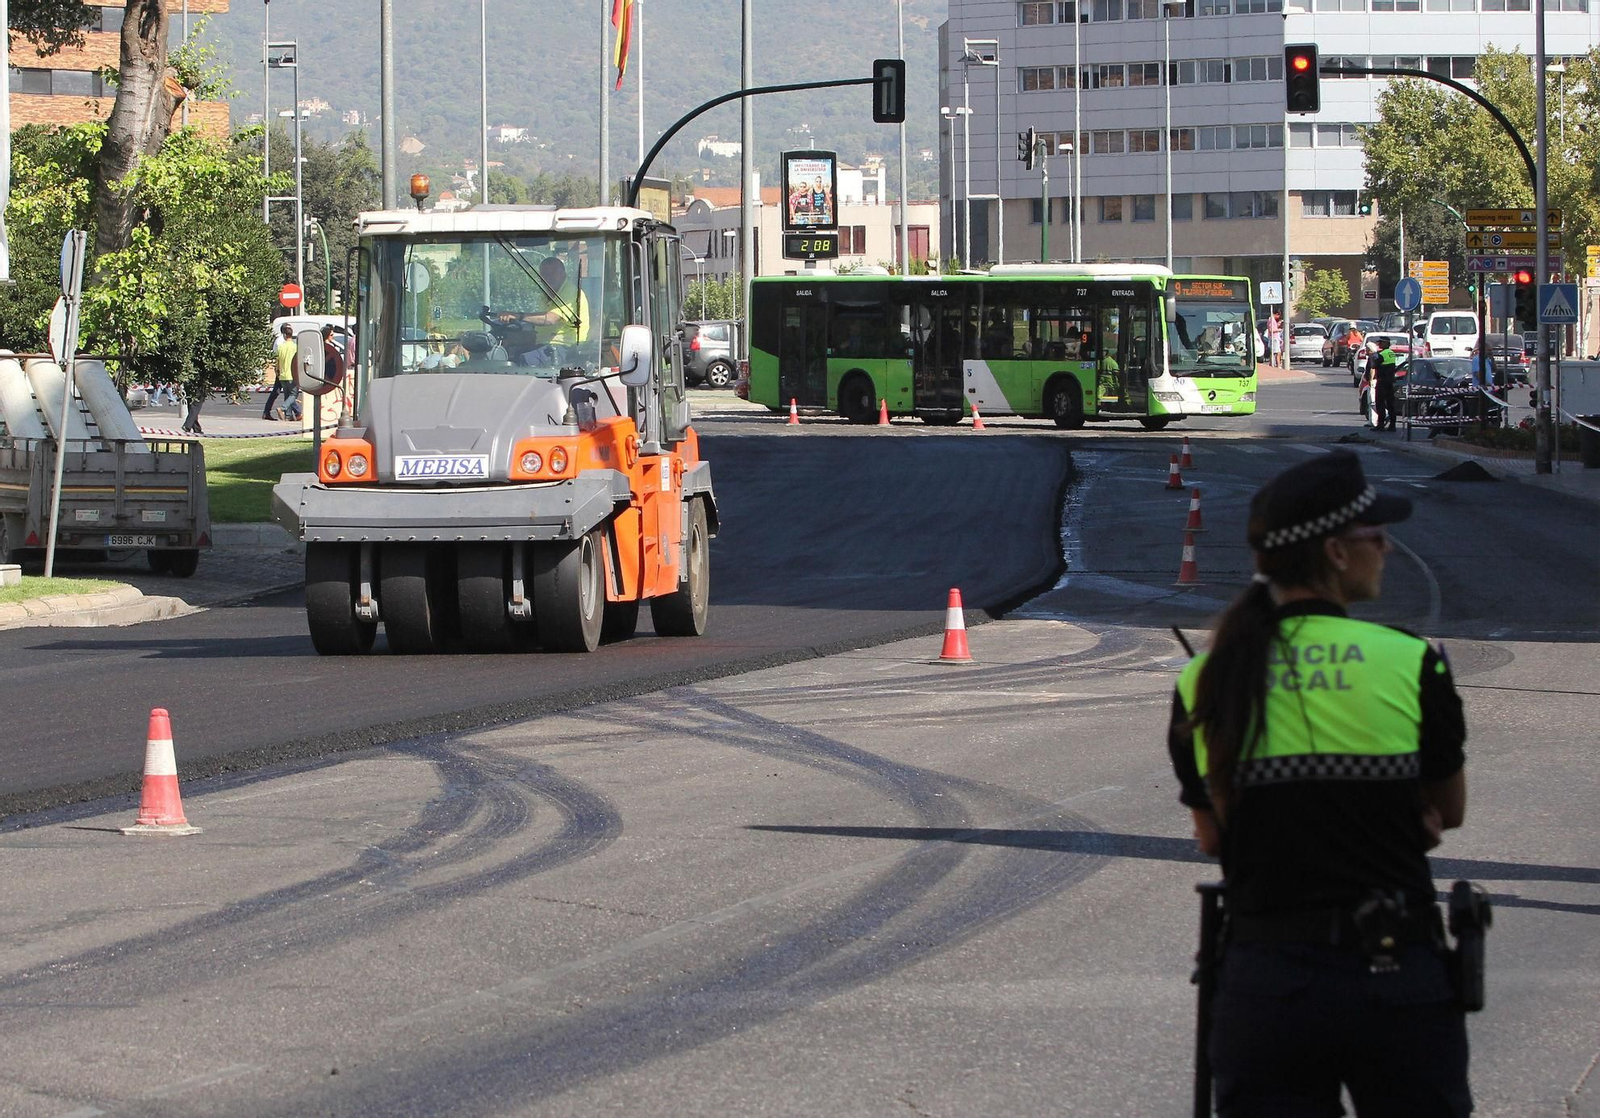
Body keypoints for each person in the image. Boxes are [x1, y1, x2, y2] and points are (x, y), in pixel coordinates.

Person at [1168, 451, 1470, 1118]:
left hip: (1267, 987)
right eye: (1373, 535)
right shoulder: (1413, 664)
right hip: (1397, 982)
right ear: (1335, 553)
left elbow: (1213, 834)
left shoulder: (1206, 679)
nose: (1386, 547)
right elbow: (1448, 811)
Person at [264, 322, 295, 420]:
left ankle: (288, 415)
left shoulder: (281, 345)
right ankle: (285, 410)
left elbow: (276, 358)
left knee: (284, 393)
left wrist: (277, 369)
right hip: (289, 373)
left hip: (282, 372)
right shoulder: (288, 345)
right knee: (292, 394)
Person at [1375, 336, 1399, 430]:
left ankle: (1380, 424)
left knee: (1380, 403)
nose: (1379, 344)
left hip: (1382, 381)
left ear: (1385, 343)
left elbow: (1374, 365)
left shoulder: (1381, 354)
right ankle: (1392, 425)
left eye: (1381, 342)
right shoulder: (1392, 353)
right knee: (1390, 404)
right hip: (1390, 381)